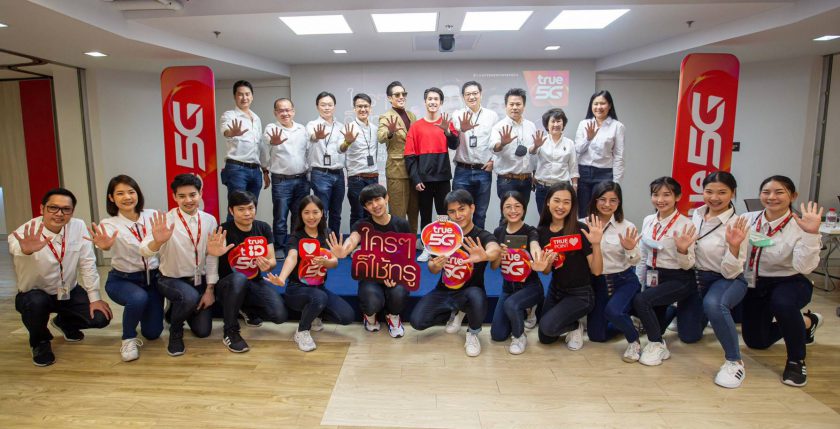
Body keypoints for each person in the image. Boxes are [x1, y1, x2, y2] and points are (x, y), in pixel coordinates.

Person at [10, 188, 112, 366]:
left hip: (68, 290)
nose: (59, 214)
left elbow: (87, 263)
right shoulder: (26, 231)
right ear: (42, 208)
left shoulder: (78, 226)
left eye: (66, 209)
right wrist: (26, 250)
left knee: (100, 317)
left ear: (72, 211)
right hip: (34, 293)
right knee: (36, 303)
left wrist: (95, 297)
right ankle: (40, 342)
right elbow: (16, 247)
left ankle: (64, 322)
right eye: (53, 208)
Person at [741, 175, 824, 387]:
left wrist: (811, 234)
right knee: (756, 342)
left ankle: (796, 360)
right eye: (766, 192)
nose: (772, 197)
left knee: (783, 304)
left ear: (793, 196)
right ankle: (808, 322)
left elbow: (804, 268)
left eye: (779, 192)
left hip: (790, 281)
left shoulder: (800, 225)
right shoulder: (748, 219)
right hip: (755, 283)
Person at [140, 174, 229, 357]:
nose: (188, 200)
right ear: (174, 197)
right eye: (182, 196)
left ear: (200, 193)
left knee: (203, 331)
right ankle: (176, 332)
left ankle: (174, 310)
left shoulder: (209, 220)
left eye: (192, 195)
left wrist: (210, 289)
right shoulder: (165, 220)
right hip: (170, 279)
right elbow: (144, 251)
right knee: (188, 297)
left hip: (198, 281)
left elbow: (212, 257)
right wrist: (157, 242)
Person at [675, 171, 750, 388]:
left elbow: (730, 272)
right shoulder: (696, 215)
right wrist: (682, 250)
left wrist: (734, 247)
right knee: (688, 336)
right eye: (709, 191)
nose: (714, 198)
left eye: (722, 192)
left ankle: (734, 362)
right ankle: (701, 316)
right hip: (697, 279)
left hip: (726, 279)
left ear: (732, 193)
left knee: (714, 305)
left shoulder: (738, 224)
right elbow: (687, 263)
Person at [410, 190, 501, 357]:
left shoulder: (481, 236)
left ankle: (472, 333)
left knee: (476, 297)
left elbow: (494, 249)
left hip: (470, 291)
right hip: (444, 291)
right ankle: (456, 312)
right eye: (452, 211)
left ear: (472, 208)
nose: (457, 215)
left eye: (462, 209)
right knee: (417, 322)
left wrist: (485, 256)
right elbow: (431, 267)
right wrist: (435, 265)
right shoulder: (443, 235)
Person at [266, 195, 354, 352]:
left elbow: (334, 262)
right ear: (300, 214)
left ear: (322, 213)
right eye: (306, 212)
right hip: (296, 290)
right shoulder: (296, 236)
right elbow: (292, 257)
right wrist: (282, 277)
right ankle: (302, 331)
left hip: (319, 288)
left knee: (346, 316)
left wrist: (326, 262)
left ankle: (314, 314)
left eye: (315, 212)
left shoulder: (327, 233)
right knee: (319, 297)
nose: (311, 217)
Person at [92, 175, 161, 362]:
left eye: (131, 192)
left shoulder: (153, 216)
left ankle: (147, 311)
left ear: (138, 194)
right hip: (123, 279)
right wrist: (104, 246)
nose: (127, 197)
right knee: (138, 298)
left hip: (152, 278)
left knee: (153, 333)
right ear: (111, 198)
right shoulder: (109, 224)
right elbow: (104, 244)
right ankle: (128, 338)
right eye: (120, 193)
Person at [327, 184, 410, 338]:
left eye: (378, 200)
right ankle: (370, 316)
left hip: (394, 272)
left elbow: (405, 255)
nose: (375, 205)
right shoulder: (362, 225)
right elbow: (353, 239)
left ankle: (393, 316)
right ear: (365, 208)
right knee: (371, 301)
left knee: (399, 292)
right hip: (370, 275)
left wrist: (396, 273)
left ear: (386, 198)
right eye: (369, 203)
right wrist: (344, 250)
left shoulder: (401, 224)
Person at [632, 177, 697, 366]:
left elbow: (688, 265)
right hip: (653, 276)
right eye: (655, 194)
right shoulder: (648, 220)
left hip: (678, 278)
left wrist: (682, 250)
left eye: (666, 195)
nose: (660, 200)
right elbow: (644, 255)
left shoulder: (686, 224)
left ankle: (657, 344)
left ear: (678, 197)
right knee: (653, 323)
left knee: (642, 301)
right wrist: (639, 282)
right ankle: (670, 314)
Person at [534, 183, 604, 351]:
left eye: (566, 202)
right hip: (556, 290)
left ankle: (576, 326)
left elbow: (596, 271)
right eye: (556, 200)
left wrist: (596, 244)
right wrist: (546, 264)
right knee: (545, 337)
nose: (561, 206)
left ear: (572, 205)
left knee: (548, 327)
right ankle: (573, 324)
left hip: (581, 294)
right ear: (548, 202)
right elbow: (547, 272)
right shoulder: (542, 231)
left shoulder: (580, 229)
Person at [216, 191, 288, 353]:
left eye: (250, 208)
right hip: (228, 284)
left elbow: (272, 261)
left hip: (254, 282)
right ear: (231, 211)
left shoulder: (263, 227)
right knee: (239, 278)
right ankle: (230, 331)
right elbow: (211, 261)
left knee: (280, 315)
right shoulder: (223, 230)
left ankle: (244, 307)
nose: (247, 213)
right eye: (241, 209)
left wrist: (267, 265)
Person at [583, 182, 642, 363]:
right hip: (598, 283)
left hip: (623, 280)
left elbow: (635, 261)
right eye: (602, 199)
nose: (607, 204)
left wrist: (630, 249)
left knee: (613, 312)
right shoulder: (583, 224)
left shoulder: (626, 226)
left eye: (613, 200)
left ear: (619, 202)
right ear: (595, 200)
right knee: (596, 336)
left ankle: (634, 341)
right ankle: (629, 322)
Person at [405, 87, 459, 262]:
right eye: (430, 99)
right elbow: (409, 156)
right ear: (425, 102)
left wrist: (447, 131)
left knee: (443, 215)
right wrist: (416, 178)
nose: (433, 102)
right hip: (424, 180)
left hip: (442, 178)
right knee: (426, 215)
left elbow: (454, 144)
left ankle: (442, 248)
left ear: (441, 102)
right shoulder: (416, 127)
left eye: (436, 99)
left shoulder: (446, 123)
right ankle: (427, 247)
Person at [489, 191, 544, 354]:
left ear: (524, 209)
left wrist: (536, 254)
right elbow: (494, 267)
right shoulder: (498, 232)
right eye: (508, 207)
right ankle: (524, 311)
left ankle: (519, 336)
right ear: (502, 209)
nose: (513, 211)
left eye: (517, 206)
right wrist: (499, 255)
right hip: (508, 288)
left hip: (530, 287)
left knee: (511, 305)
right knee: (497, 335)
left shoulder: (530, 231)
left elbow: (534, 244)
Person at [262, 97, 310, 258]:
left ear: (293, 111)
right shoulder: (271, 128)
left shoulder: (302, 129)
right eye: (281, 110)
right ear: (275, 113)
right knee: (280, 217)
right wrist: (273, 142)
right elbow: (266, 143)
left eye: (288, 110)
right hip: (281, 181)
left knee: (299, 217)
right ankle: (279, 247)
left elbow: (307, 152)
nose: (285, 113)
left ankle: (294, 247)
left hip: (302, 180)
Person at [451, 81, 499, 229]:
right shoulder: (457, 115)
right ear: (463, 97)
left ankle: (478, 241)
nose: (472, 97)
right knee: (458, 212)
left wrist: (493, 161)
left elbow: (496, 141)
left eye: (475, 93)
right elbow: (452, 140)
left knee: (480, 213)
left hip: (483, 171)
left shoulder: (492, 116)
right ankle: (459, 242)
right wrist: (460, 130)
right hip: (462, 170)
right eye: (468, 94)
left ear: (481, 94)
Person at [219, 80, 266, 220]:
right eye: (240, 94)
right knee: (236, 208)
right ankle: (231, 235)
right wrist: (231, 132)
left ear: (252, 96)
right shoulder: (229, 115)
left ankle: (248, 235)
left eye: (247, 94)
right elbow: (225, 131)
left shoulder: (256, 118)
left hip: (255, 170)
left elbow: (260, 145)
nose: (244, 98)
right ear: (235, 96)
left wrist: (265, 170)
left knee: (251, 210)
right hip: (237, 169)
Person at [574, 90, 625, 217]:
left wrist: (616, 183)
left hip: (604, 173)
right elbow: (578, 150)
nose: (599, 107)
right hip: (583, 172)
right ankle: (584, 231)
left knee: (601, 211)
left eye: (602, 103)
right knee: (583, 212)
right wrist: (588, 139)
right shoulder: (584, 124)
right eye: (595, 104)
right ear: (591, 106)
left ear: (609, 105)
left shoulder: (617, 126)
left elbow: (619, 156)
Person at [378, 81, 420, 235]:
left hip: (414, 170)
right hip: (397, 170)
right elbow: (381, 137)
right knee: (398, 211)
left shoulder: (411, 115)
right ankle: (398, 242)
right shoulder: (386, 116)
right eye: (397, 94)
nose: (401, 97)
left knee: (414, 211)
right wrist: (390, 132)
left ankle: (412, 241)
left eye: (404, 94)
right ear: (390, 98)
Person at [490, 88, 538, 211]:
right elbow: (494, 148)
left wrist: (536, 147)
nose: (515, 107)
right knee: (507, 216)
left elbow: (532, 153)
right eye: (511, 104)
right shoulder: (499, 127)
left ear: (524, 106)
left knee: (521, 215)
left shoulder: (531, 126)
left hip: (526, 180)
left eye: (518, 104)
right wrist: (502, 143)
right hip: (507, 181)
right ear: (506, 106)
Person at [306, 91, 345, 235]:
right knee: (321, 212)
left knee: (336, 212)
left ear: (334, 106)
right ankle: (322, 242)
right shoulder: (312, 124)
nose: (326, 108)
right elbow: (312, 137)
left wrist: (348, 142)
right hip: (321, 174)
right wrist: (317, 136)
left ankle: (333, 242)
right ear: (317, 107)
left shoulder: (340, 126)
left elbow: (342, 149)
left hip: (338, 174)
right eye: (323, 105)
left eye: (330, 105)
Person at [341, 93, 381, 228]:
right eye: (359, 106)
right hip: (356, 178)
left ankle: (370, 239)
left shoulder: (375, 129)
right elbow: (340, 149)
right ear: (354, 109)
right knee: (358, 213)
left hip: (373, 176)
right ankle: (356, 240)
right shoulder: (349, 128)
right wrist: (347, 142)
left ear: (370, 108)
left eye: (366, 106)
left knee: (373, 214)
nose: (363, 109)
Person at [533, 108, 578, 212]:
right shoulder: (541, 141)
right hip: (543, 188)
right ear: (547, 125)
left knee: (561, 218)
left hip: (562, 188)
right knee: (544, 218)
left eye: (558, 121)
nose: (556, 124)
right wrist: (535, 146)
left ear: (563, 124)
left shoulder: (569, 143)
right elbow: (532, 153)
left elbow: (573, 167)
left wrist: (575, 187)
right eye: (553, 121)